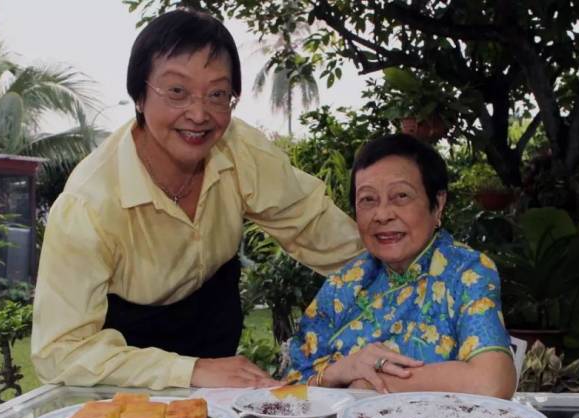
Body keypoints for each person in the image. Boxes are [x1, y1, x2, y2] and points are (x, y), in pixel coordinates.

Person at [31, 9, 362, 390]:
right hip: (123, 377)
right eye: (177, 91)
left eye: (217, 94)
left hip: (216, 351)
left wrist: (404, 271)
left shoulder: (240, 150)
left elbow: (314, 225)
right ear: (139, 94)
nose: (199, 114)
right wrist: (191, 371)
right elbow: (61, 352)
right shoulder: (88, 204)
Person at [286, 134, 516, 398]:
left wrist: (369, 385)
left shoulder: (465, 272)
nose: (382, 215)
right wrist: (339, 371)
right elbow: (289, 390)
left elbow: (492, 382)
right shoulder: (344, 284)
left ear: (437, 204)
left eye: (401, 196)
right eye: (368, 200)